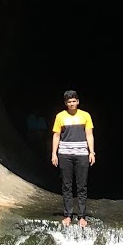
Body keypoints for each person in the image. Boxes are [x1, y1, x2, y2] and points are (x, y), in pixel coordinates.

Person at [51, 90, 95, 227]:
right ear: (65, 103)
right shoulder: (60, 116)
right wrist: (54, 153)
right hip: (65, 154)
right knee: (66, 186)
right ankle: (68, 215)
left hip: (82, 154)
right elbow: (56, 135)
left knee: (82, 186)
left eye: (74, 101)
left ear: (78, 101)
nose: (72, 104)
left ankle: (82, 216)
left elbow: (89, 135)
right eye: (69, 102)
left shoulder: (85, 115)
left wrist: (92, 152)